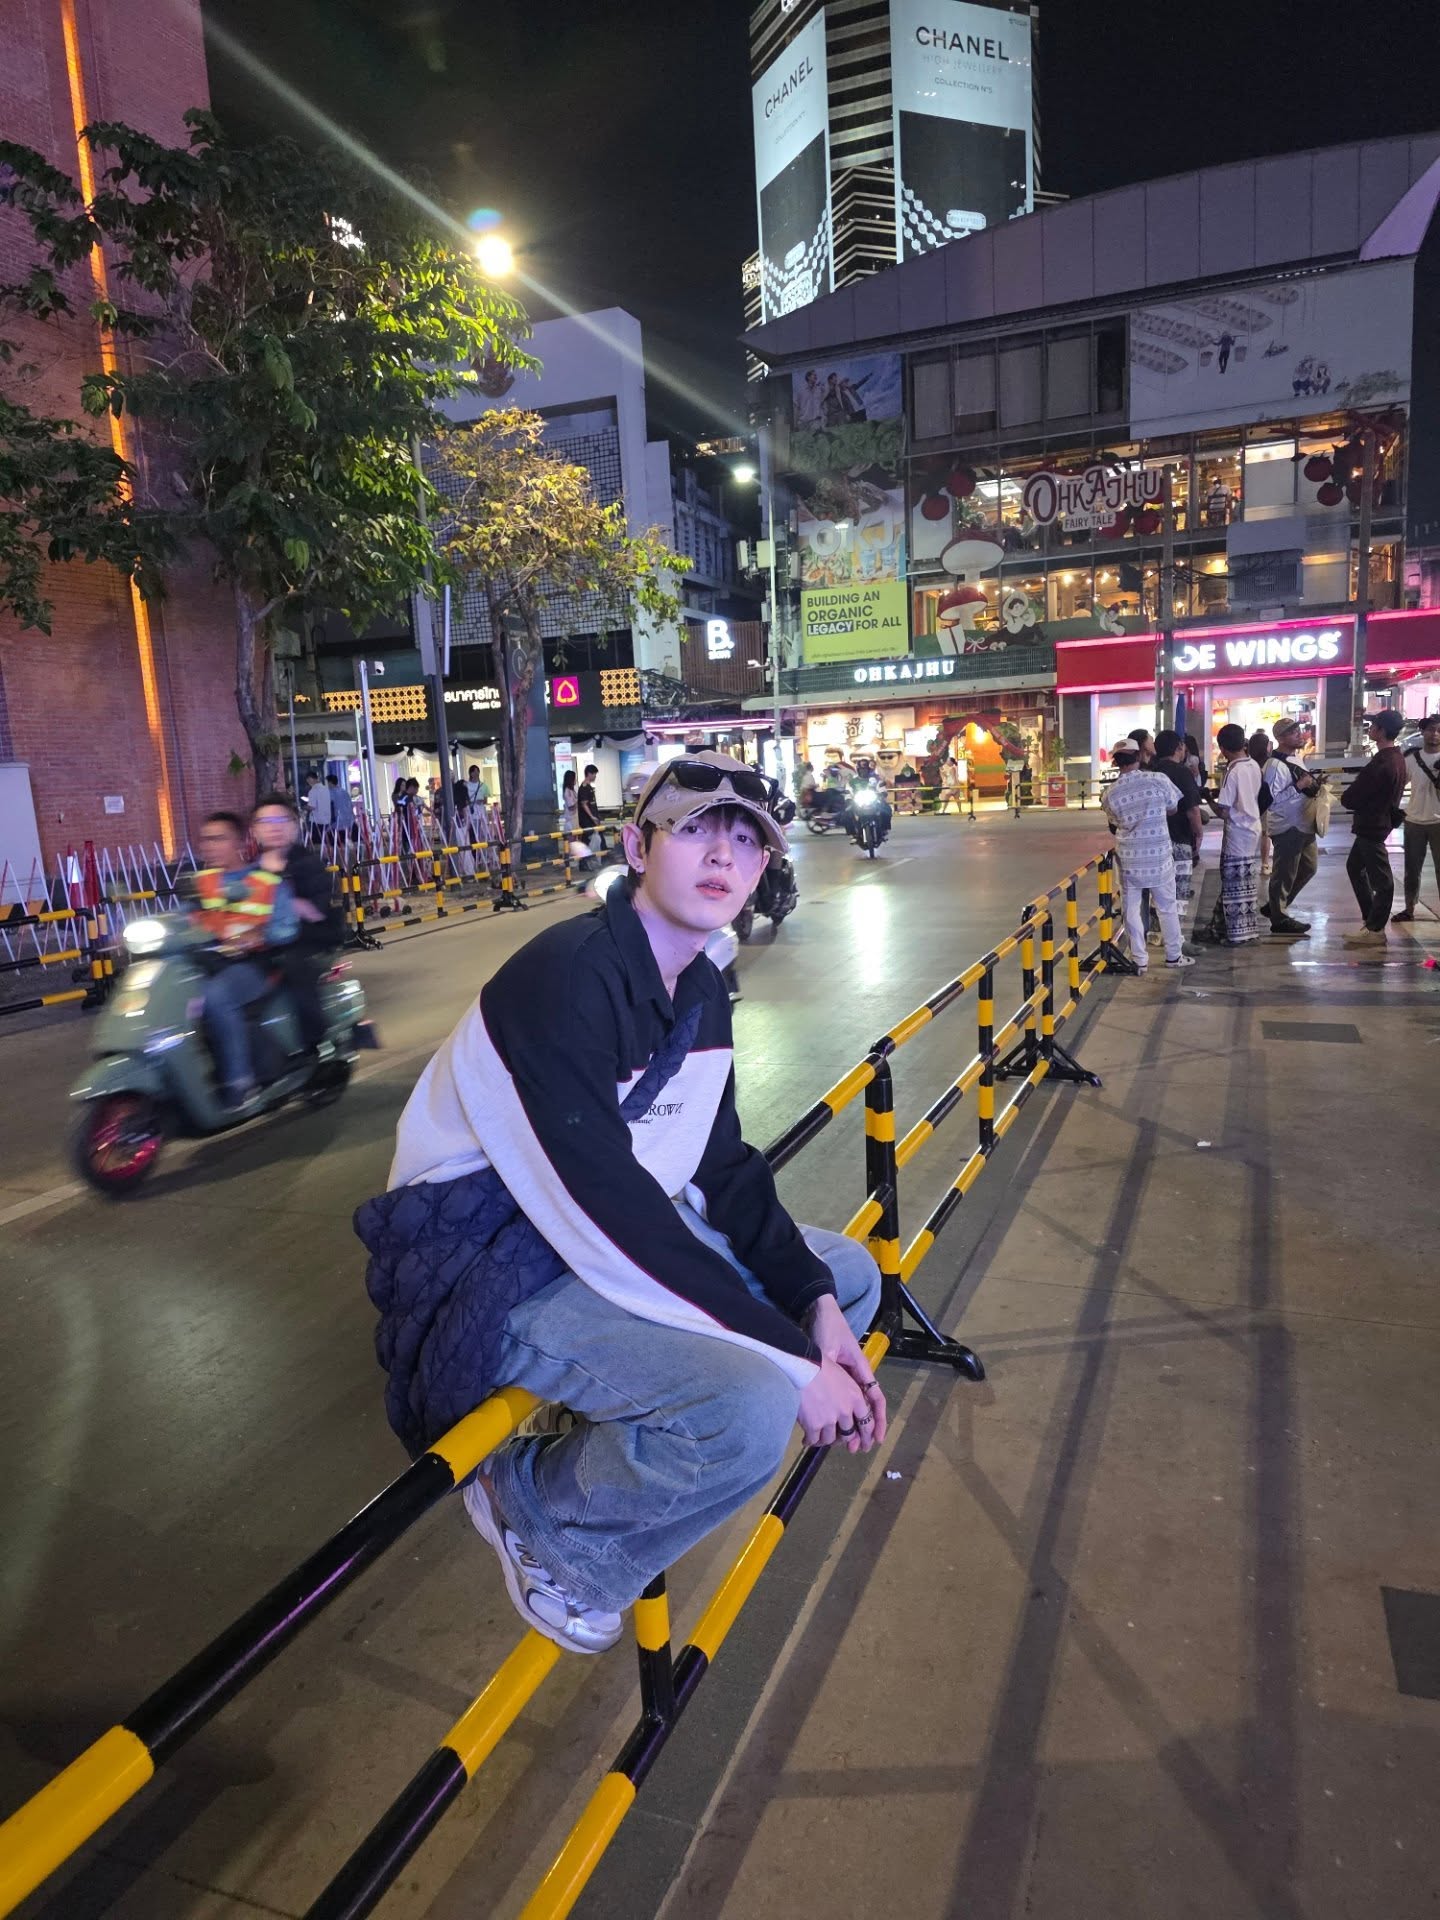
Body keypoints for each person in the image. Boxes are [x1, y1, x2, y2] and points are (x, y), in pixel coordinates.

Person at [355, 752, 886, 1654]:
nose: (722, 856)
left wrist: (813, 1304)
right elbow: (607, 1217)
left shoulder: (702, 983)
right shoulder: (565, 979)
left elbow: (720, 1164)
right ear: (639, 849)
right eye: (695, 830)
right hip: (495, 1248)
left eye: (746, 840)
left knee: (850, 1276)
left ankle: (644, 1436)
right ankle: (537, 1509)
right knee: (746, 1412)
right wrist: (797, 1366)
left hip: (595, 1223)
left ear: (764, 864)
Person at [191, 810, 299, 1106]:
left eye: (219, 839)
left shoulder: (264, 882)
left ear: (239, 842)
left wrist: (259, 934)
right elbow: (183, 919)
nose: (210, 846)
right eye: (206, 840)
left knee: (216, 997)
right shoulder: (201, 882)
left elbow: (288, 926)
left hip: (253, 965)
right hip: (209, 963)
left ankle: (240, 1081)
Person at [251, 793, 342, 1049]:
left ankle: (313, 1044)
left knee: (294, 967)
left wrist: (283, 902)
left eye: (281, 820)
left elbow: (316, 911)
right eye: (266, 822)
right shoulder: (251, 871)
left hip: (307, 941)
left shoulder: (308, 865)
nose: (274, 827)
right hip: (264, 944)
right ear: (255, 830)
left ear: (294, 826)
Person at [1102, 747, 1193, 972]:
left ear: (1116, 762)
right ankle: (1173, 956)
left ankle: (1139, 960)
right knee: (1167, 907)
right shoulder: (1158, 779)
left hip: (1129, 859)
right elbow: (1173, 807)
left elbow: (1114, 823)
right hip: (1158, 856)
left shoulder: (1110, 793)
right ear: (1139, 756)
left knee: (1131, 909)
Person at [1340, 709, 1407, 946]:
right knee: (1354, 867)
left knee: (1383, 881)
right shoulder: (1397, 758)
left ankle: (1375, 928)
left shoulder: (1382, 763)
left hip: (1372, 826)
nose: (1370, 728)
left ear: (1381, 730)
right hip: (1377, 823)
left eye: (1374, 725)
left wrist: (1348, 798)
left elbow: (1352, 797)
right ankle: (1370, 921)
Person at [1205, 724, 1264, 946]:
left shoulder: (1233, 771)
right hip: (1253, 830)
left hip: (1237, 834)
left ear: (1222, 748)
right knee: (1246, 884)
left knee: (1233, 888)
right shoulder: (1253, 765)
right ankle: (1222, 928)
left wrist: (1208, 799)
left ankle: (1237, 935)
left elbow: (1224, 811)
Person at [1262, 718, 1321, 936]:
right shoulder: (1274, 766)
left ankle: (1275, 906)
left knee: (1309, 868)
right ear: (1280, 738)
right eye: (1292, 732)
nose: (1298, 734)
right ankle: (1279, 918)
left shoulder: (1295, 758)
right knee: (1284, 873)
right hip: (1288, 825)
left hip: (1303, 823)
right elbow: (1271, 800)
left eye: (1298, 730)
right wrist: (1299, 786)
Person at [1152, 729, 1204, 932]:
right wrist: (1198, 833)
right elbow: (1193, 810)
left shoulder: (1152, 772)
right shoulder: (1182, 772)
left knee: (1159, 891)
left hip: (1156, 841)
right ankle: (1175, 936)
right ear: (1179, 748)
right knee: (1179, 889)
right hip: (1180, 838)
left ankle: (1157, 932)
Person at [1395, 714, 1440, 922]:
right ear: (1422, 732)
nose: (1435, 734)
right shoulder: (1411, 759)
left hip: (1438, 822)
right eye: (1431, 730)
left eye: (1439, 730)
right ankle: (1409, 909)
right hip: (1414, 821)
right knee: (1412, 870)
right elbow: (1398, 785)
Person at [577, 763, 602, 839]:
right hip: (588, 821)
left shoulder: (589, 787)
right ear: (589, 774)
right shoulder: (584, 787)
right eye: (594, 774)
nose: (595, 776)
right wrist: (592, 817)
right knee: (590, 840)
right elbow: (584, 804)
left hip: (592, 819)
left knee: (597, 840)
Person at [305, 770, 332, 836]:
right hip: (327, 819)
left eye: (308, 780)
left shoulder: (313, 791)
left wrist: (304, 807)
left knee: (317, 840)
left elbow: (312, 807)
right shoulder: (326, 789)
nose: (308, 782)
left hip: (317, 820)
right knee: (324, 839)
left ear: (310, 779)